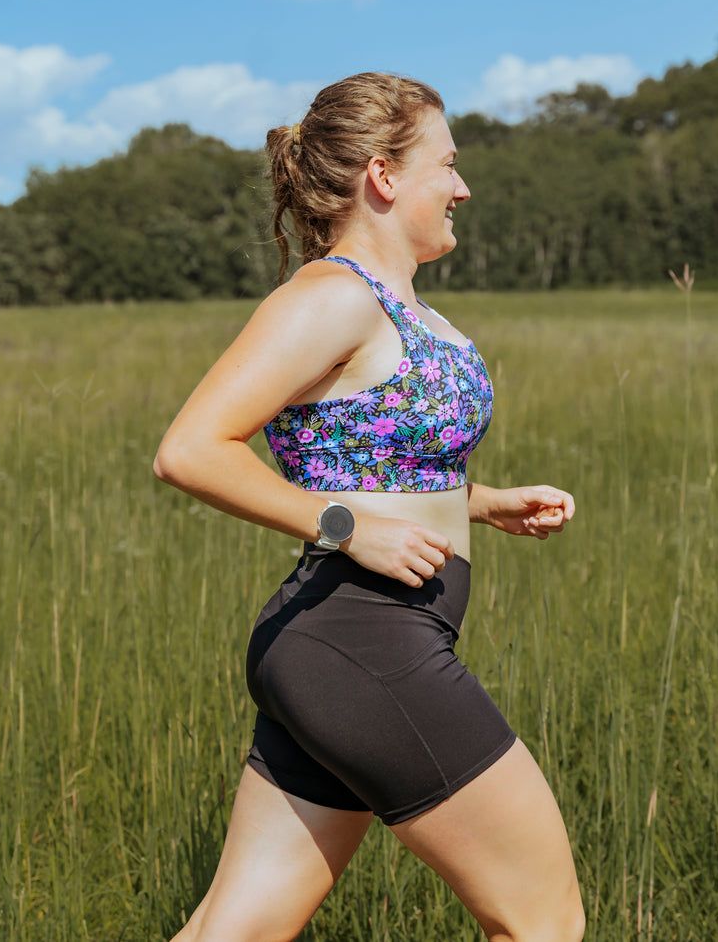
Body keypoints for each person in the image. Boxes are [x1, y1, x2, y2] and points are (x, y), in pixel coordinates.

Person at [153, 71, 584, 942]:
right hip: (361, 640)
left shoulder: (405, 308)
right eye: (447, 164)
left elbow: (377, 461)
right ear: (384, 176)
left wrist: (488, 503)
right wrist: (346, 528)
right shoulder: (331, 297)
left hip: (344, 647)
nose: (462, 187)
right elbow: (188, 450)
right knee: (544, 922)